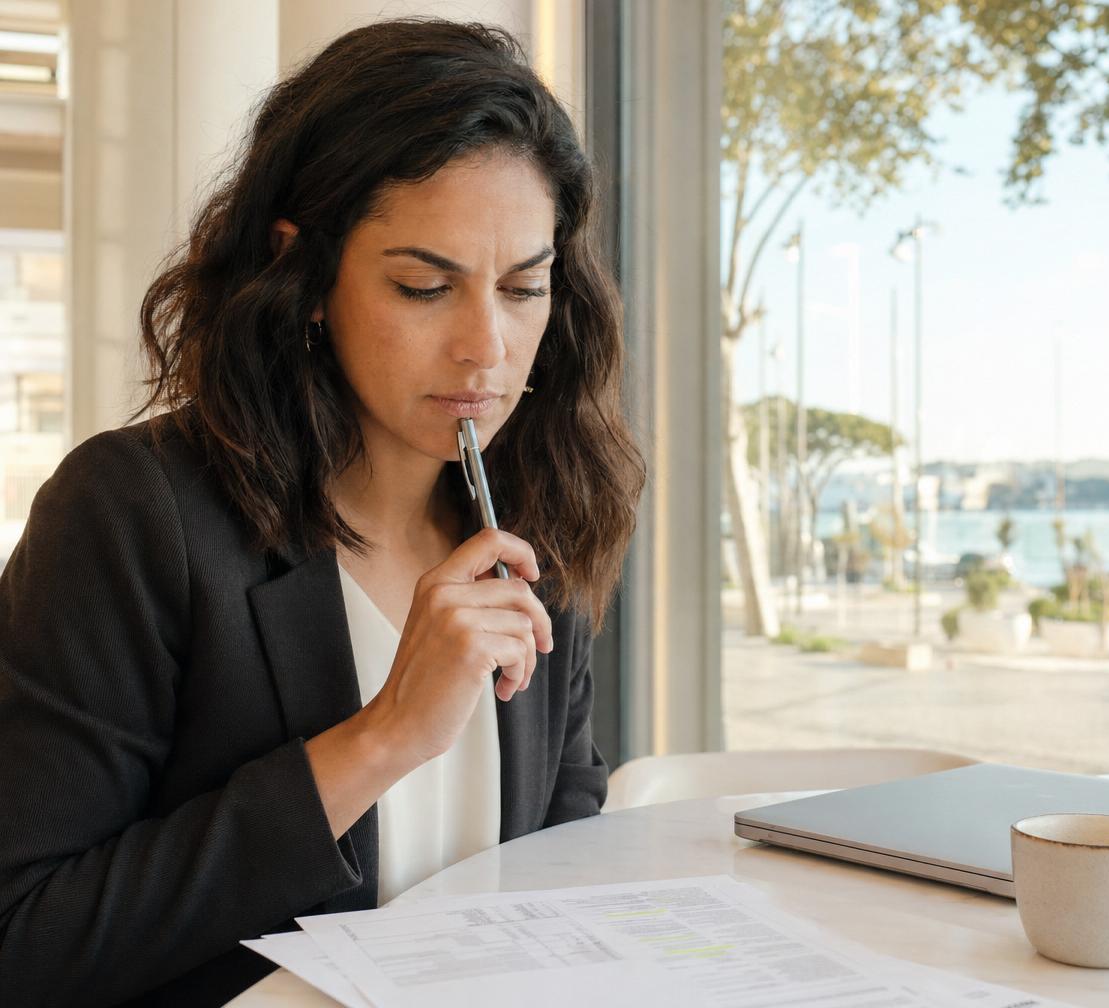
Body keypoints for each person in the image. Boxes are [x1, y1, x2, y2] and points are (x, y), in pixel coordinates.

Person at [0, 18, 644, 1007]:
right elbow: (26, 941)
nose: (487, 348)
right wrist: (383, 736)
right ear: (302, 275)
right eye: (424, 286)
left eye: (523, 287)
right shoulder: (132, 514)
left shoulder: (541, 515)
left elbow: (556, 862)